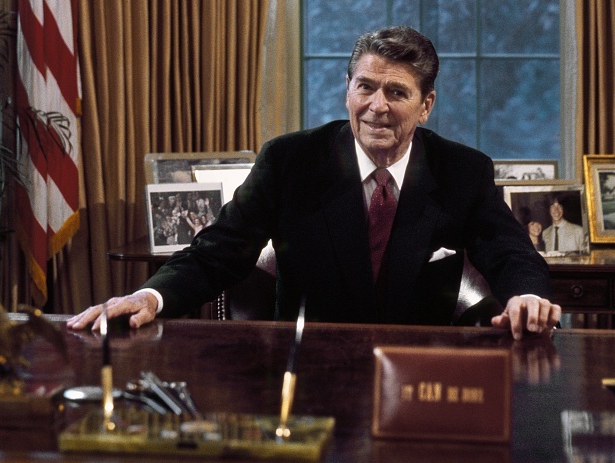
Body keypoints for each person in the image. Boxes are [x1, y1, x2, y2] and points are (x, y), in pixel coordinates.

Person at [68, 26, 561, 339]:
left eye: (397, 92)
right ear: (347, 89)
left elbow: (511, 252)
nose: (377, 106)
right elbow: (219, 250)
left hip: (419, 369)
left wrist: (526, 295)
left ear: (426, 104)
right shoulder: (290, 160)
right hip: (305, 366)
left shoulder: (462, 170)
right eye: (364, 86)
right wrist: (150, 297)